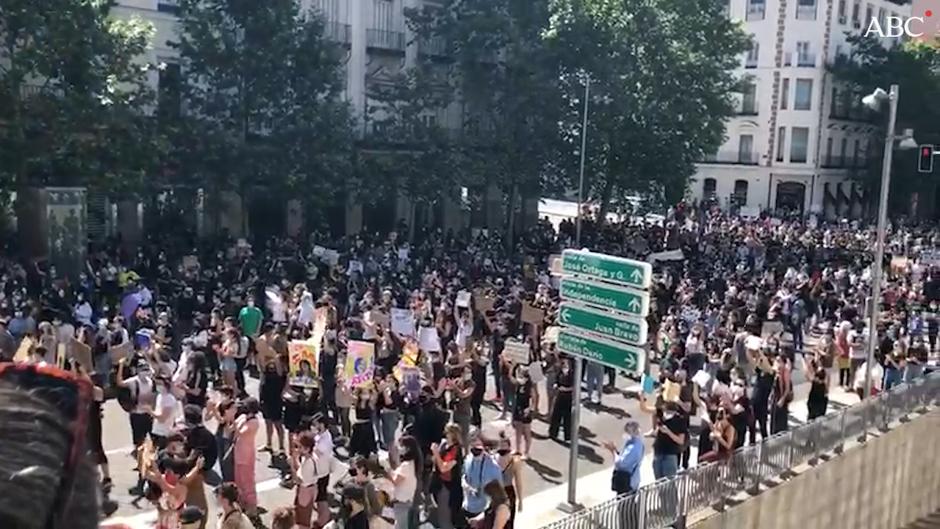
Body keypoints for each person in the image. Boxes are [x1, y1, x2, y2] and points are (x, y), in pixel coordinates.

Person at [430, 424, 464, 529]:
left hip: (449, 486)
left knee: (446, 515)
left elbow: (444, 468)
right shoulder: (444, 444)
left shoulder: (456, 450)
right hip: (439, 482)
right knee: (440, 510)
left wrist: (436, 453)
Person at [461, 436, 502, 521]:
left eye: (478, 446)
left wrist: (481, 518)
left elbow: (498, 498)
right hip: (467, 506)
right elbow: (464, 476)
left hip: (483, 511)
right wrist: (466, 486)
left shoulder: (493, 468)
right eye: (472, 446)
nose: (474, 450)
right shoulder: (468, 460)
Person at [233, 398, 261, 521]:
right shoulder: (243, 417)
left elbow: (240, 432)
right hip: (239, 451)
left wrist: (235, 422)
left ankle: (252, 507)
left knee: (247, 480)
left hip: (246, 453)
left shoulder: (254, 422)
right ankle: (242, 502)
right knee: (238, 478)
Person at [603, 420, 643, 495]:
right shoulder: (636, 443)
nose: (625, 433)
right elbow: (624, 457)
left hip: (627, 481)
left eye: (627, 431)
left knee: (625, 504)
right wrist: (615, 450)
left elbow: (620, 463)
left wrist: (613, 451)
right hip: (631, 480)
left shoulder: (633, 447)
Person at [391, 435, 421, 529]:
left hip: (401, 503)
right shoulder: (413, 463)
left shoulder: (406, 466)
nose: (400, 449)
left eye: (401, 446)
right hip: (407, 502)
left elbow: (395, 481)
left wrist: (385, 472)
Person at [290, 431, 318, 529]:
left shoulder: (308, 463)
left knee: (302, 520)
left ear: (307, 448)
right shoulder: (312, 458)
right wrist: (295, 458)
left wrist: (292, 466)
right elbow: (301, 469)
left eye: (300, 447)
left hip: (305, 491)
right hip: (311, 490)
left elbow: (299, 479)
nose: (299, 449)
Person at [495, 433, 523, 528]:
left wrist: (520, 500)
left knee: (508, 521)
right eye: (501, 446)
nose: (502, 448)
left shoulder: (514, 461)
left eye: (504, 446)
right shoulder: (494, 459)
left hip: (508, 492)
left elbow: (518, 481)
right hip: (497, 492)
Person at [510, 365, 536, 458]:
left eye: (522, 375)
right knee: (518, 430)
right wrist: (513, 366)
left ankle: (526, 452)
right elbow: (511, 377)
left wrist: (530, 409)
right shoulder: (518, 384)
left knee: (526, 432)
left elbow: (534, 398)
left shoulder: (530, 386)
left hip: (526, 409)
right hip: (518, 407)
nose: (520, 377)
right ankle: (517, 449)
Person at [548, 358, 573, 443]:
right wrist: (556, 384)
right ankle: (553, 434)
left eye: (567, 364)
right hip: (560, 395)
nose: (565, 366)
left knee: (567, 417)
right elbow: (556, 380)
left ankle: (567, 436)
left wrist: (565, 389)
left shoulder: (572, 374)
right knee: (556, 415)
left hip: (568, 396)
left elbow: (575, 386)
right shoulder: (560, 372)